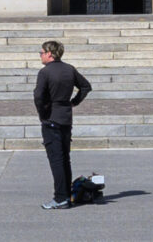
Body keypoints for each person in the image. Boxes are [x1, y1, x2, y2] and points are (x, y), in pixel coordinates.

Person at [32, 38, 92, 211]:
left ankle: (60, 198)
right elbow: (86, 87)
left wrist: (43, 114)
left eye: (42, 52)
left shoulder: (45, 72)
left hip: (52, 119)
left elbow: (38, 97)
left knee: (56, 160)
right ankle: (66, 196)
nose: (40, 55)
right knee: (65, 159)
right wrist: (74, 102)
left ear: (49, 54)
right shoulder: (69, 69)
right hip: (65, 117)